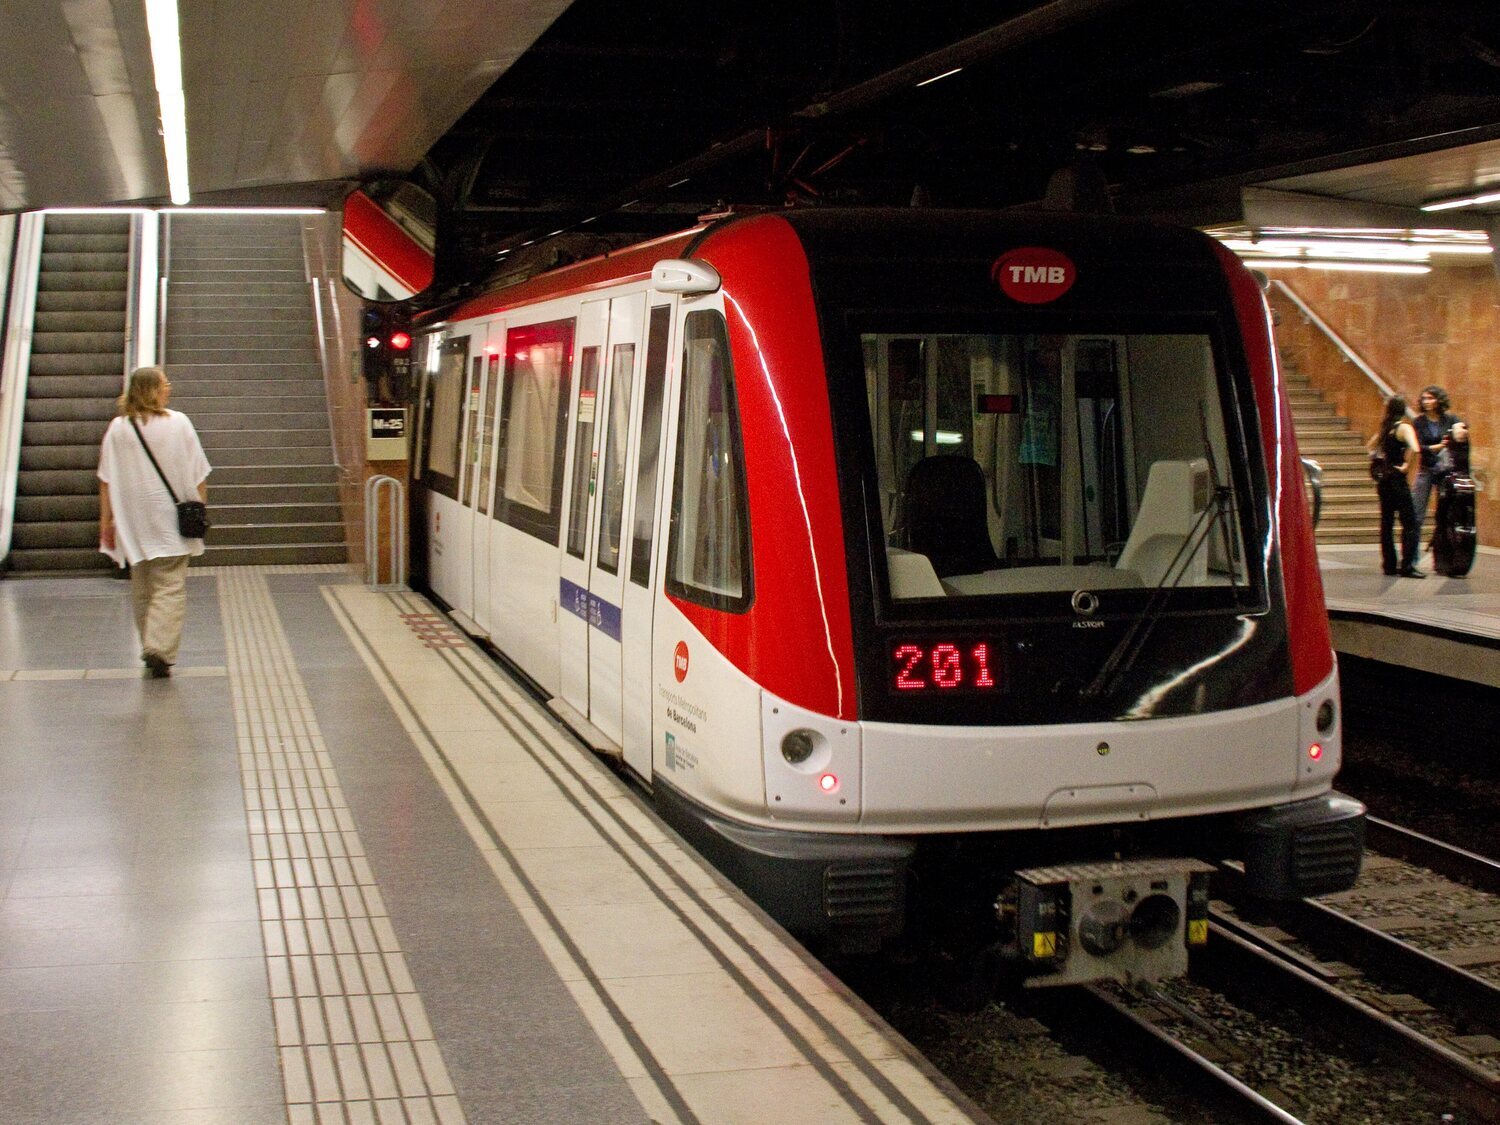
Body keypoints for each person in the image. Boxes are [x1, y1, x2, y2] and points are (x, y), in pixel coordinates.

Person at [98, 367, 211, 677]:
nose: (169, 388)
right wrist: (200, 508)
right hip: (170, 520)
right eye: (164, 384)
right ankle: (158, 646)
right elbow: (199, 472)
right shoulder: (178, 423)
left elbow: (106, 479)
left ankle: (150, 642)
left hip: (134, 522)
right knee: (170, 585)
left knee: (143, 586)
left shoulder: (118, 429)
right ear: (151, 390)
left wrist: (106, 520)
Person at [1367, 394, 1422, 578]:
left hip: (1384, 482)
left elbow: (1370, 447)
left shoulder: (1385, 429)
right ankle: (1407, 565)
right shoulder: (1404, 427)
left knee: (1387, 523)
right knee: (1410, 523)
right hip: (1398, 479)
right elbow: (1415, 448)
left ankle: (1389, 565)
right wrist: (1407, 465)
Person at [1410, 384, 1467, 539]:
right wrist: (1437, 446)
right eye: (1424, 399)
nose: (1426, 402)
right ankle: (1411, 556)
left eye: (1430, 398)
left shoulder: (1449, 419)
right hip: (1426, 468)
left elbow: (1461, 428)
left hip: (1445, 470)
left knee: (1445, 513)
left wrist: (1460, 430)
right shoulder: (1419, 422)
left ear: (1438, 400)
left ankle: (1443, 553)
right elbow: (1419, 446)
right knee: (1417, 513)